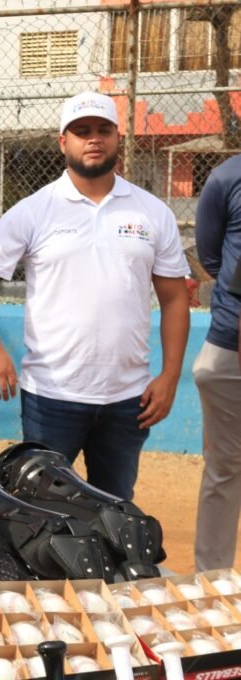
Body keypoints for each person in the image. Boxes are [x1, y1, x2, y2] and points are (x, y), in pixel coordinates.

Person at [0, 91, 190, 501]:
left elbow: (174, 298)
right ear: (63, 141)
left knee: (116, 508)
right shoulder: (36, 209)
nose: (93, 139)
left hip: (127, 400)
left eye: (103, 130)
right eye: (81, 132)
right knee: (43, 512)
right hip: (52, 395)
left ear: (119, 137)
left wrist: (170, 376)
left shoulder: (152, 212)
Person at [193, 153, 241, 571]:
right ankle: (213, 582)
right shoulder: (227, 176)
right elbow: (213, 259)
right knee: (226, 467)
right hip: (231, 343)